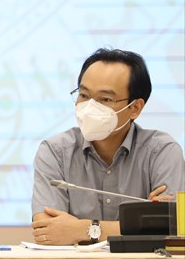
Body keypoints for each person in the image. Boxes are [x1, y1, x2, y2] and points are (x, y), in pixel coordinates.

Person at [31, 48, 184, 245]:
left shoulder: (162, 152)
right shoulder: (55, 151)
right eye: (84, 95)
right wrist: (140, 224)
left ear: (135, 108)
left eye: (105, 99)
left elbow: (171, 231)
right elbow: (47, 231)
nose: (90, 107)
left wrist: (83, 229)